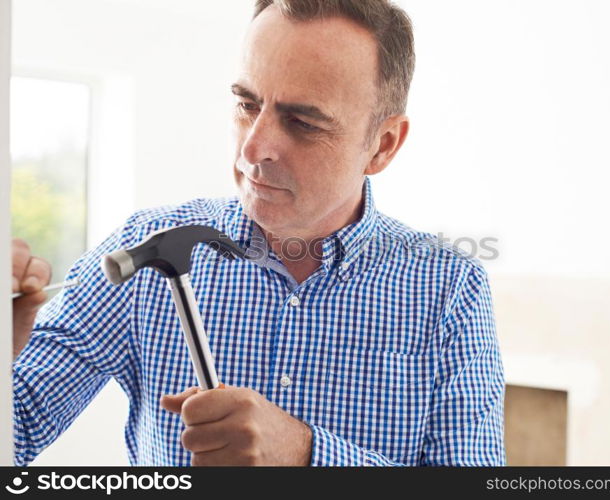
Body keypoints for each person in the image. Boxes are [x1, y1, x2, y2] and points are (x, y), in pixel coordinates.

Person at [11, 0, 506, 466]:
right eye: (247, 104)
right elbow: (16, 429)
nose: (254, 149)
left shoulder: (449, 289)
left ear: (382, 145)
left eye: (303, 122)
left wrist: (305, 455)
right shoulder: (146, 246)